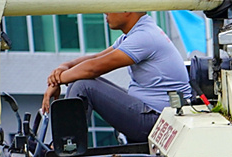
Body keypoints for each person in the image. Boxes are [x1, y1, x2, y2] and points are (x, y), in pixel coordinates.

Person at [44, 12, 193, 145]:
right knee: (80, 81)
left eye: (111, 6)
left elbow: (94, 68)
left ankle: (64, 149)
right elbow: (96, 57)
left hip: (158, 121)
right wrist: (64, 67)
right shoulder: (138, 32)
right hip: (153, 114)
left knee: (83, 86)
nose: (105, 12)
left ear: (127, 9)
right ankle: (63, 146)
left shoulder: (144, 37)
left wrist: (58, 80)